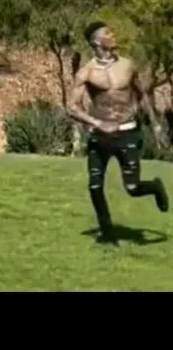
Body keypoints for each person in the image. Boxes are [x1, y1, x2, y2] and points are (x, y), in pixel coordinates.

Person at [67, 21, 169, 243]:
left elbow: (142, 95)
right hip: (100, 136)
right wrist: (96, 122)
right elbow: (72, 107)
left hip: (127, 133)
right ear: (96, 42)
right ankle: (106, 232)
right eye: (107, 33)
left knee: (132, 188)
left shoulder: (128, 66)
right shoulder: (86, 72)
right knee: (95, 186)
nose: (113, 35)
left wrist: (156, 124)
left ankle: (155, 187)